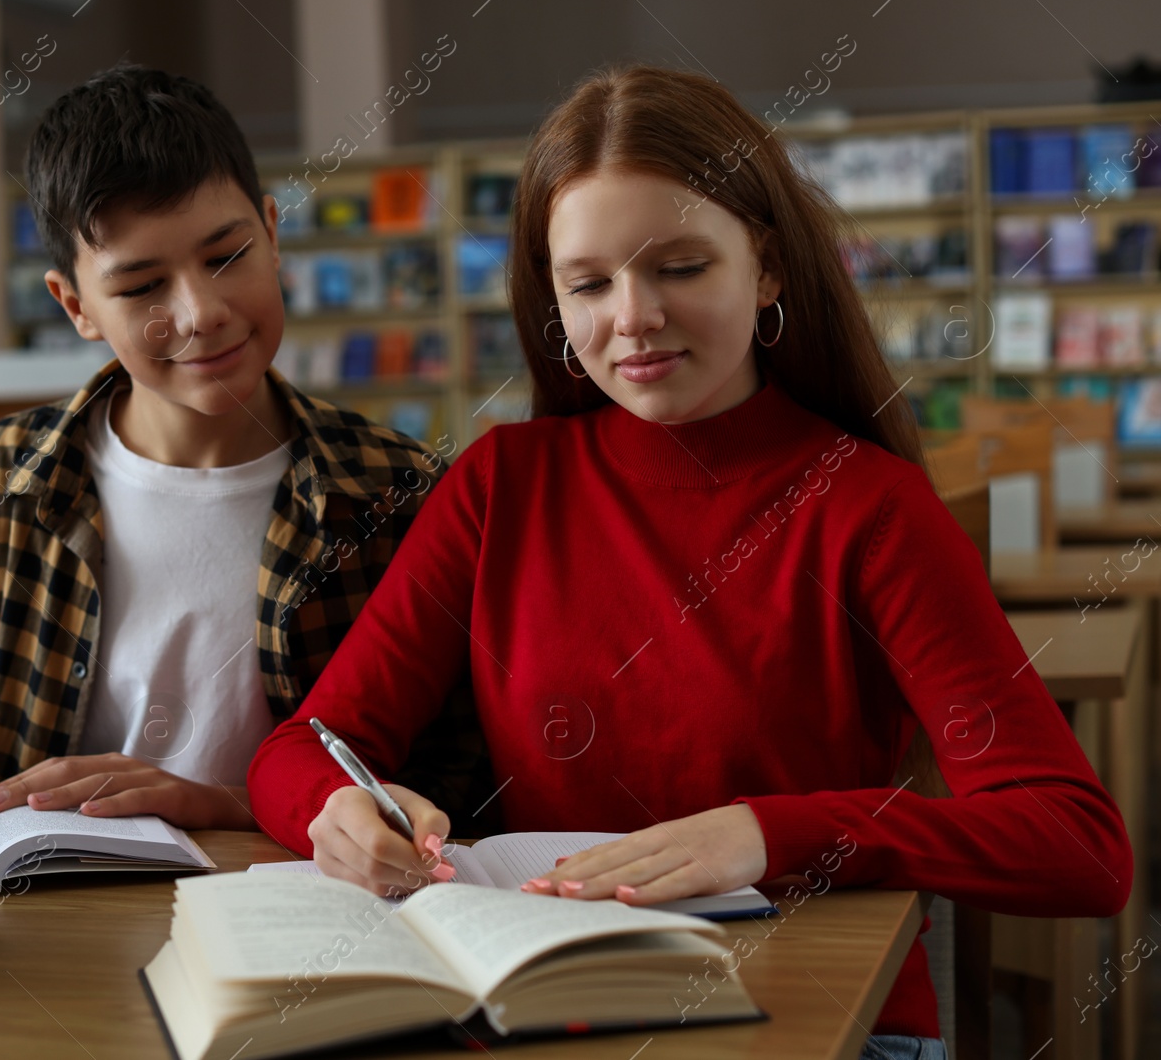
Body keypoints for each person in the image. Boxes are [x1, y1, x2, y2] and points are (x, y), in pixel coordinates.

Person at [245, 65, 1131, 1060]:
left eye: (678, 267)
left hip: (821, 1018)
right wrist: (336, 806)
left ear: (766, 268)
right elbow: (305, 744)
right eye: (586, 282)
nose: (631, 318)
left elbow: (1075, 844)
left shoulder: (869, 505)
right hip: (560, 1008)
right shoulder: (500, 485)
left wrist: (768, 833)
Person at [0, 65, 492, 832]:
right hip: (53, 915)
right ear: (75, 306)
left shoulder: (395, 489)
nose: (201, 312)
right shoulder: (6, 477)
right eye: (141, 288)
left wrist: (214, 805)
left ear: (272, 232)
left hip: (293, 909)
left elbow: (449, 777)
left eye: (227, 255)